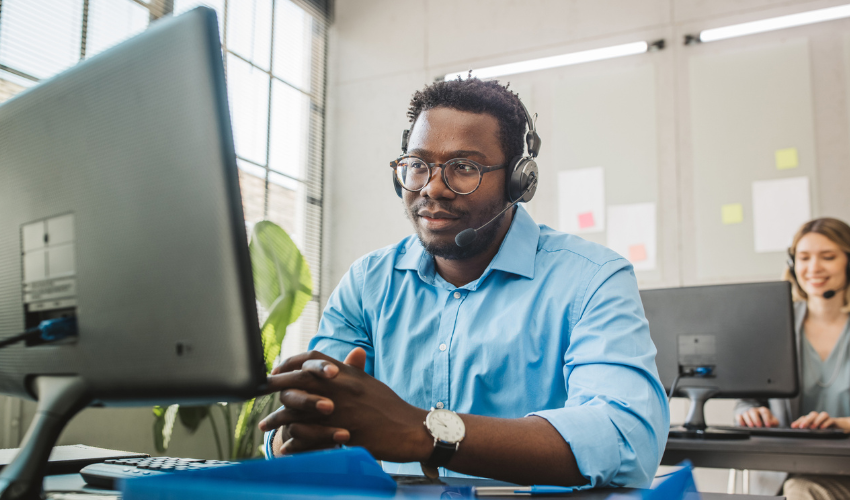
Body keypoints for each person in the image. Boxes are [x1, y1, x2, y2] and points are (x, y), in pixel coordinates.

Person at [258, 78, 669, 488]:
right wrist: (294, 436)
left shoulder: (592, 278)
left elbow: (622, 439)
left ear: (518, 182)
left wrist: (424, 432)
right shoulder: (369, 282)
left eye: (464, 168)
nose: (433, 187)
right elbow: (318, 416)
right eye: (418, 165)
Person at [735, 217, 850, 499]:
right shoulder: (777, 325)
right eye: (804, 258)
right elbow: (748, 399)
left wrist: (842, 424)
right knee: (799, 487)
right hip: (792, 468)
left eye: (828, 257)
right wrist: (749, 413)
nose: (814, 268)